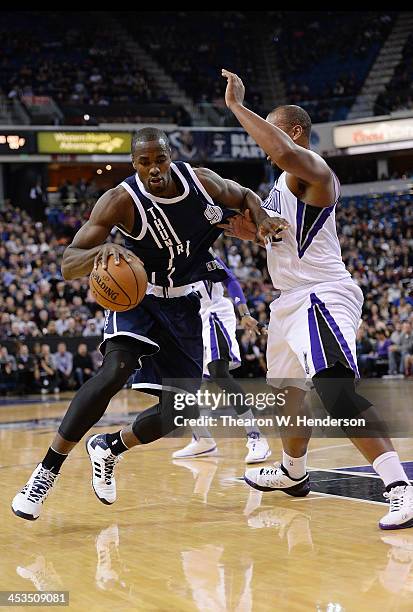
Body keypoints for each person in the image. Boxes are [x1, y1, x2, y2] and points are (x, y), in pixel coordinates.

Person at [12, 127, 285, 521]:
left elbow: (244, 195)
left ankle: (108, 447)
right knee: (114, 371)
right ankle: (45, 473)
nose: (153, 169)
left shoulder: (202, 182)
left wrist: (260, 219)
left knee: (181, 411)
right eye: (144, 162)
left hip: (186, 302)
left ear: (170, 157)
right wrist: (101, 251)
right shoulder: (119, 201)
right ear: (133, 164)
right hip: (138, 297)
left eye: (160, 159)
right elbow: (68, 263)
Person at [220, 69, 413, 530]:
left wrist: (236, 107)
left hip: (321, 295)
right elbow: (279, 239)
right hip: (289, 302)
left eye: (271, 127)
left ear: (295, 132)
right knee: (288, 397)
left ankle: (398, 486)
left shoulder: (314, 170)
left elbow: (279, 151)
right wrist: (249, 231)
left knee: (334, 391)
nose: (265, 140)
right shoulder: (279, 193)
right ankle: (293, 472)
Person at [167, 252, 271, 463]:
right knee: (182, 382)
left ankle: (256, 437)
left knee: (219, 372)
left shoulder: (201, 251)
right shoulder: (164, 255)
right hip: (191, 321)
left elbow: (229, 279)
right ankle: (202, 440)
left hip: (213, 312)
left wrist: (244, 313)